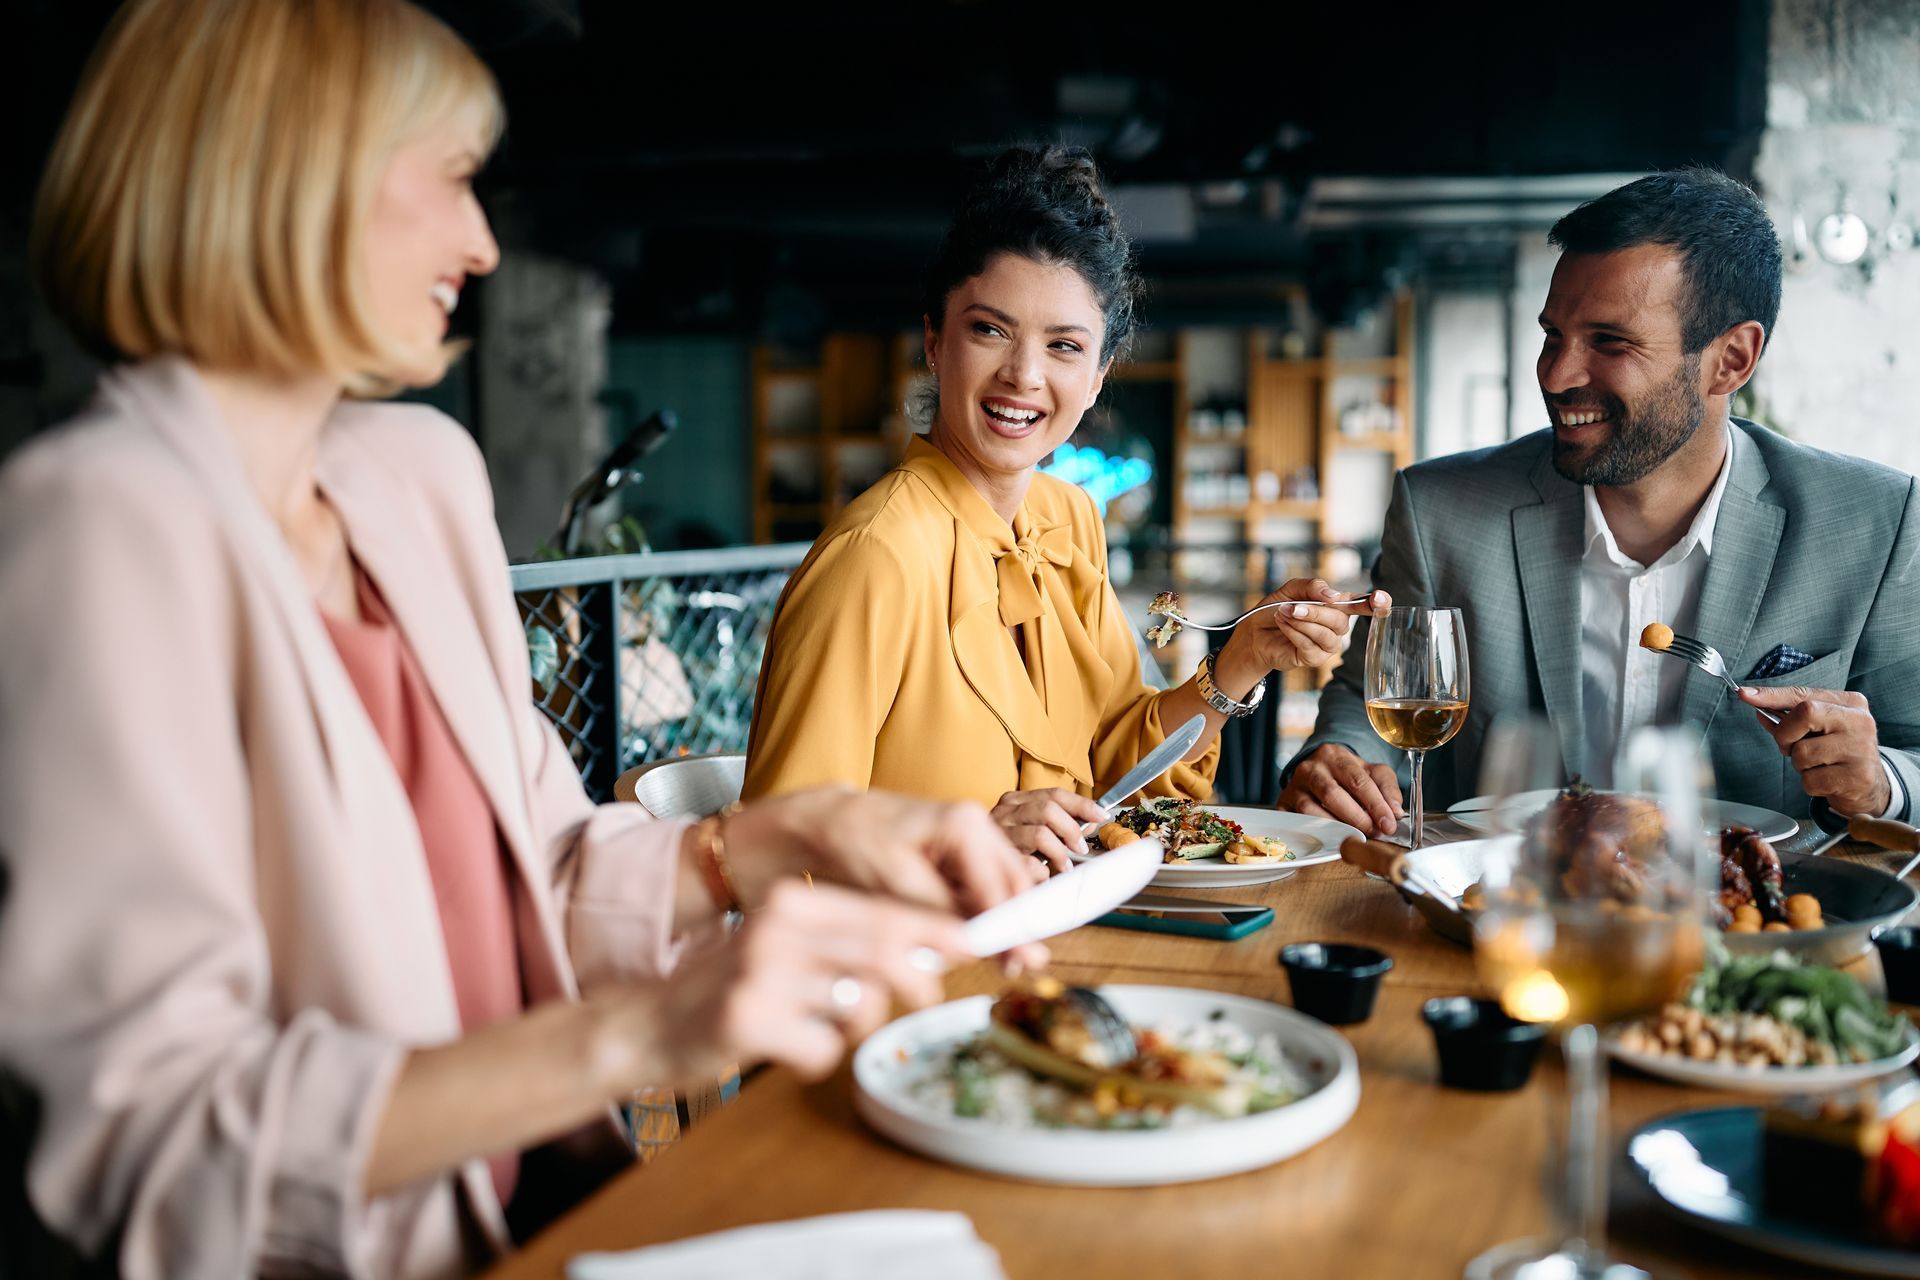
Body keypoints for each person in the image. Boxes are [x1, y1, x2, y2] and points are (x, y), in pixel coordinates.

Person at [0, 2, 1046, 1276]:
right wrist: (640, 1036)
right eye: (450, 179)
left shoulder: (418, 473)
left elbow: (541, 868)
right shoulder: (100, 520)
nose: (485, 243)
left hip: (558, 1219)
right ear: (290, 174)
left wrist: (775, 836)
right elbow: (146, 1137)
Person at [743, 145, 1386, 865]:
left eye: (1064, 346)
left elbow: (1121, 778)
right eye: (990, 330)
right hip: (922, 966)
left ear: (1098, 376)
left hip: (1068, 935)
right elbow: (770, 854)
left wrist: (1243, 658)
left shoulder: (1068, 519)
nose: (1023, 376)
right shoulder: (875, 557)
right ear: (934, 339)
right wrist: (958, 842)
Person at [1278, 168, 1920, 833]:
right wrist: (1338, 757)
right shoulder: (1439, 509)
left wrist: (1881, 784)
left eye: (1609, 342)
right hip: (1500, 913)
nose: (1556, 374)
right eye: (1553, 335)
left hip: (1752, 924)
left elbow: (1914, 754)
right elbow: (1370, 698)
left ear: (1731, 359)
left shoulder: (1875, 521)